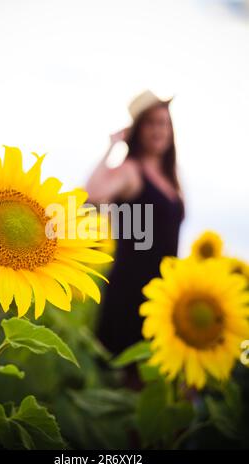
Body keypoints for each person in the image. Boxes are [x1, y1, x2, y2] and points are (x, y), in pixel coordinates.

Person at [86, 90, 184, 355]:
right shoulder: (131, 171)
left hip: (162, 294)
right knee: (125, 377)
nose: (158, 130)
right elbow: (93, 193)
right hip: (130, 290)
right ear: (138, 129)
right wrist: (113, 145)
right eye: (151, 123)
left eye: (163, 123)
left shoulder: (170, 179)